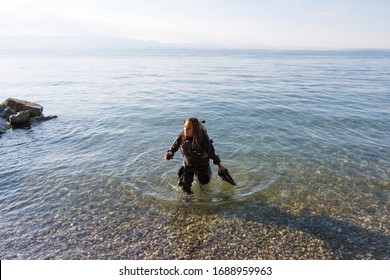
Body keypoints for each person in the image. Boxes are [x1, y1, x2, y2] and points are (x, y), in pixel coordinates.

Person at [164, 118, 225, 194]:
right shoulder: (181, 137)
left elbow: (211, 152)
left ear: (195, 129)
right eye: (185, 127)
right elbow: (172, 149)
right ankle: (188, 202)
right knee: (184, 187)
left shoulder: (203, 138)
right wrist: (169, 155)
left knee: (204, 185)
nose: (186, 130)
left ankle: (203, 201)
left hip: (203, 165)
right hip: (188, 165)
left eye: (189, 128)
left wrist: (219, 165)